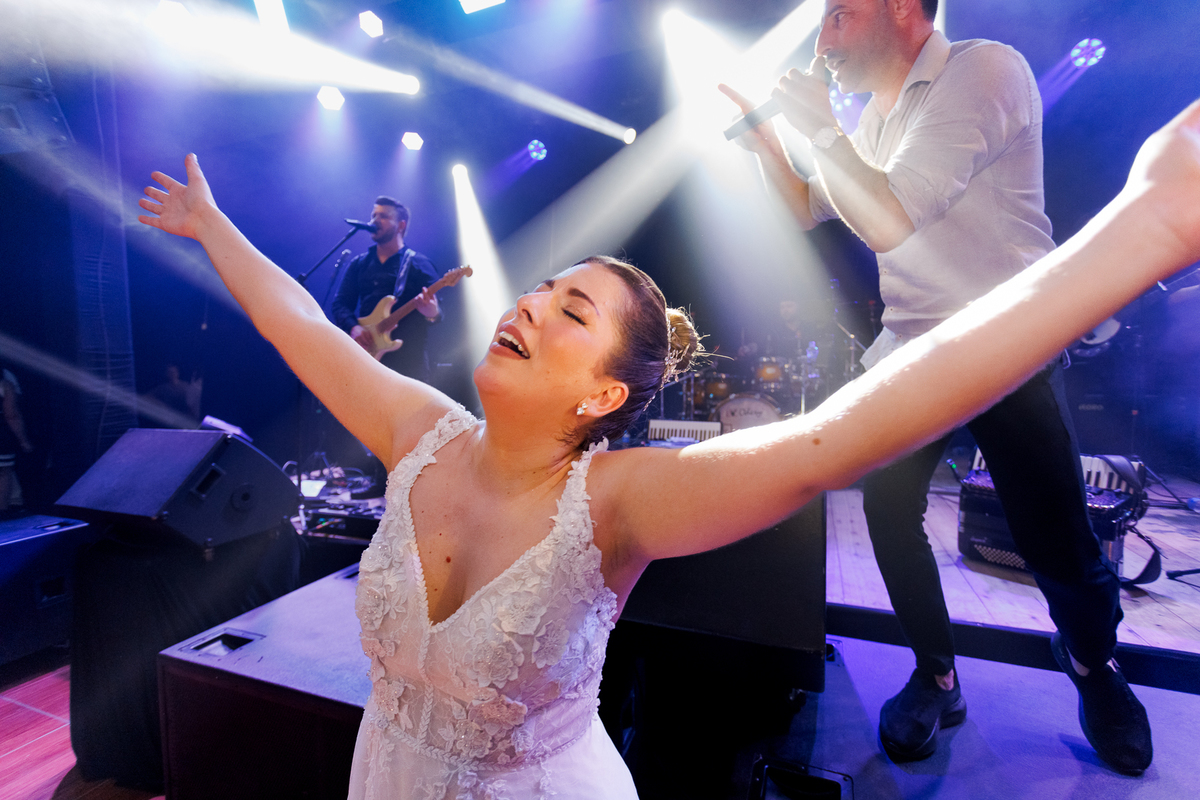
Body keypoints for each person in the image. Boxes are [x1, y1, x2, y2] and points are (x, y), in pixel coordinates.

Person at [136, 96, 1200, 797]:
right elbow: (305, 328)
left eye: (573, 312)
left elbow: (844, 434)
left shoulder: (615, 504)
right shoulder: (419, 433)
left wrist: (1145, 225)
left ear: (605, 391)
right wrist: (213, 224)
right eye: (543, 289)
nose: (533, 305)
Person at [720, 0, 1154, 773]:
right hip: (915, 345)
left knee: (1057, 544)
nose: (823, 39)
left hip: (1007, 336)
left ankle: (1093, 665)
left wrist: (820, 126)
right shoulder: (875, 117)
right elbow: (809, 206)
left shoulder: (984, 70)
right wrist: (766, 142)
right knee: (889, 512)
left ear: (898, 7)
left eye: (839, 16)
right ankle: (937, 674)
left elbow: (890, 221)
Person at [331, 197, 442, 382]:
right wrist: (354, 328)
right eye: (373, 215)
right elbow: (340, 304)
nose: (375, 220)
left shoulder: (419, 264)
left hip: (408, 365)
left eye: (383, 216)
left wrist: (432, 312)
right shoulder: (359, 264)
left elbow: (439, 312)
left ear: (400, 225)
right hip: (365, 356)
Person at [1, 366, 34, 514]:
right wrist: (23, 440)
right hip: (1, 436)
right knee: (3, 473)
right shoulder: (5, 384)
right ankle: (2, 512)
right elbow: (11, 415)